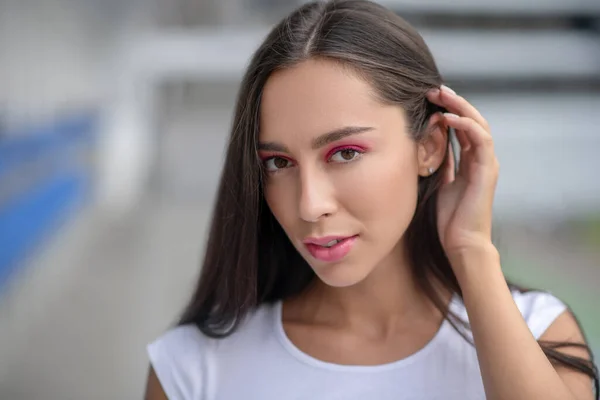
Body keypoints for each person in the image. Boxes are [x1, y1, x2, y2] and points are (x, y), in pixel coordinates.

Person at [144, 1, 599, 399]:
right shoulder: (192, 369)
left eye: (345, 153)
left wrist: (472, 251)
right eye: (278, 163)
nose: (309, 205)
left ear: (431, 147)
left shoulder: (540, 334)